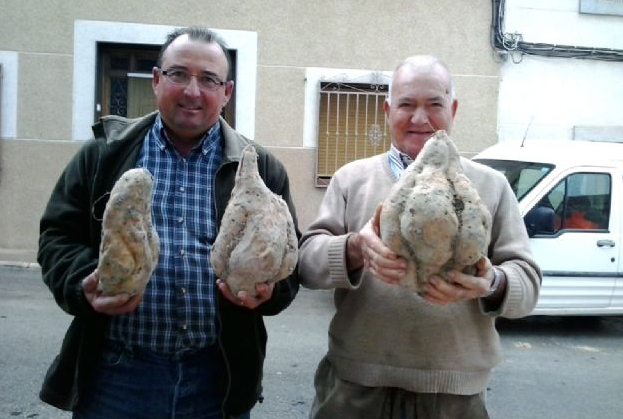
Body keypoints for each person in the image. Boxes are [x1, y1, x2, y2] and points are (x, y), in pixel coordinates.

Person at [37, 26, 300, 419]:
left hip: (218, 377)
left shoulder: (262, 170)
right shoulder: (103, 157)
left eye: (209, 80)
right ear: (157, 80)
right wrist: (84, 280)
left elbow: (288, 264)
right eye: (179, 74)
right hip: (116, 376)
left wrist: (270, 292)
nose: (193, 91)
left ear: (226, 93)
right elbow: (57, 237)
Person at [298, 55, 541, 419]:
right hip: (355, 387)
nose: (420, 118)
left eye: (434, 105)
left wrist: (491, 282)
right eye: (406, 105)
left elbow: (528, 284)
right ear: (387, 109)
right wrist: (354, 248)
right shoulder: (351, 179)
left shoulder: (491, 186)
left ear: (453, 109)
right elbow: (306, 264)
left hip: (454, 397)